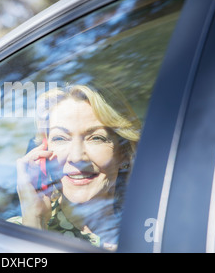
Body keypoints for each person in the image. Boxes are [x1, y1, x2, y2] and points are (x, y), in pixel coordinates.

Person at [10, 84, 141, 250]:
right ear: (44, 151)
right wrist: (35, 220)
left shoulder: (154, 227)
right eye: (60, 138)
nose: (77, 157)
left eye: (96, 138)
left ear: (122, 153)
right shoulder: (13, 231)